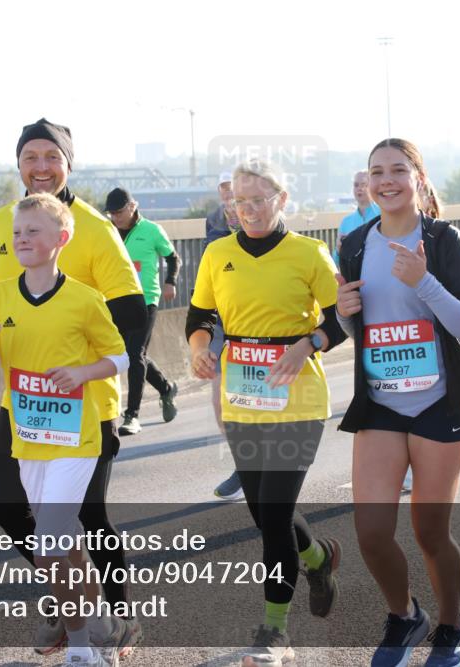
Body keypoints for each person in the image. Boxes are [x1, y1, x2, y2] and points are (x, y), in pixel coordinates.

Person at [0, 118, 146, 658]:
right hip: (25, 403)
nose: (42, 166)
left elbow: (130, 315)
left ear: (68, 164)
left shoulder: (93, 229)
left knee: (88, 519)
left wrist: (98, 373)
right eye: (32, 156)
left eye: (53, 156)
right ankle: (76, 601)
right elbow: (2, 300)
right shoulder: (4, 223)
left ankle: (119, 619)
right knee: (9, 508)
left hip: (85, 403)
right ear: (19, 165)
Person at [187, 159, 348, 665]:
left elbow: (343, 315)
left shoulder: (309, 253)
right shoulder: (218, 253)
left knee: (275, 511)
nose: (248, 210)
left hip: (298, 398)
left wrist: (310, 343)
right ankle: (317, 558)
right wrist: (197, 347)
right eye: (239, 201)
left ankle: (274, 631)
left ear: (281, 199)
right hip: (243, 396)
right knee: (263, 512)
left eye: (258, 200)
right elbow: (199, 314)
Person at [337, 138, 460, 667]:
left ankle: (451, 625)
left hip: (439, 404)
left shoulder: (444, 240)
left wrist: (423, 281)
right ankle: (404, 616)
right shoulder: (354, 243)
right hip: (380, 403)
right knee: (371, 533)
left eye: (398, 170)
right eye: (376, 171)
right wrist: (342, 313)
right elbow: (360, 329)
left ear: (418, 179)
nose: (386, 180)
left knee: (429, 532)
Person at [104, 187, 180, 436]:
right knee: (132, 353)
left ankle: (132, 416)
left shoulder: (151, 231)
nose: (116, 218)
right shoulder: (107, 231)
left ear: (133, 206)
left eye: (120, 212)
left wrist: (171, 281)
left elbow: (173, 257)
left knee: (135, 352)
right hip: (115, 298)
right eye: (112, 213)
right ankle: (166, 388)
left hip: (146, 299)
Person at [205, 172, 246, 502]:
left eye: (233, 192)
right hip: (220, 322)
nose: (229, 201)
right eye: (223, 193)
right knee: (220, 402)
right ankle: (242, 464)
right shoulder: (214, 221)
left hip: (259, 328)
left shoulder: (262, 220)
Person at [333, 169, 380, 266]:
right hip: (354, 278)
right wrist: (338, 250)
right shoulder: (346, 222)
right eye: (356, 185)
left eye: (364, 185)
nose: (360, 188)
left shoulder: (384, 215)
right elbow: (336, 262)